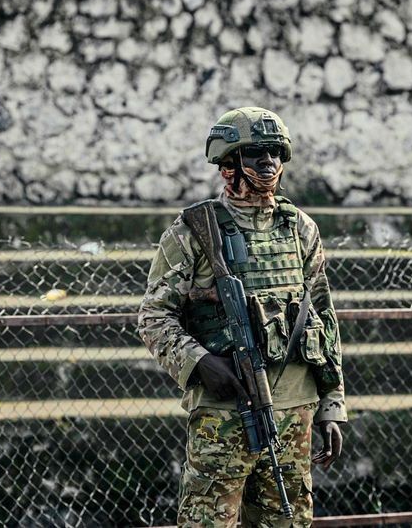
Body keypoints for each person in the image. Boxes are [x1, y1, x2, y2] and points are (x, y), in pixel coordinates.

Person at [138, 106, 346, 527]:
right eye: (255, 154)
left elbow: (323, 317)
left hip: (295, 410)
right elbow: (154, 316)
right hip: (224, 413)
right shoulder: (194, 230)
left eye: (275, 153)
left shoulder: (300, 228)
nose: (268, 163)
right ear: (228, 165)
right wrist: (200, 362)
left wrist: (332, 405)